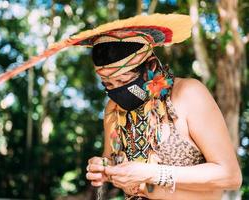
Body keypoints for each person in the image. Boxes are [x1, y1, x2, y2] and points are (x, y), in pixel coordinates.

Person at [83, 14, 242, 199]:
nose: (117, 91)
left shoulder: (188, 94)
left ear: (150, 66)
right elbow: (112, 160)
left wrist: (153, 174)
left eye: (123, 80)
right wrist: (103, 168)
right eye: (108, 85)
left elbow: (230, 176)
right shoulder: (114, 108)